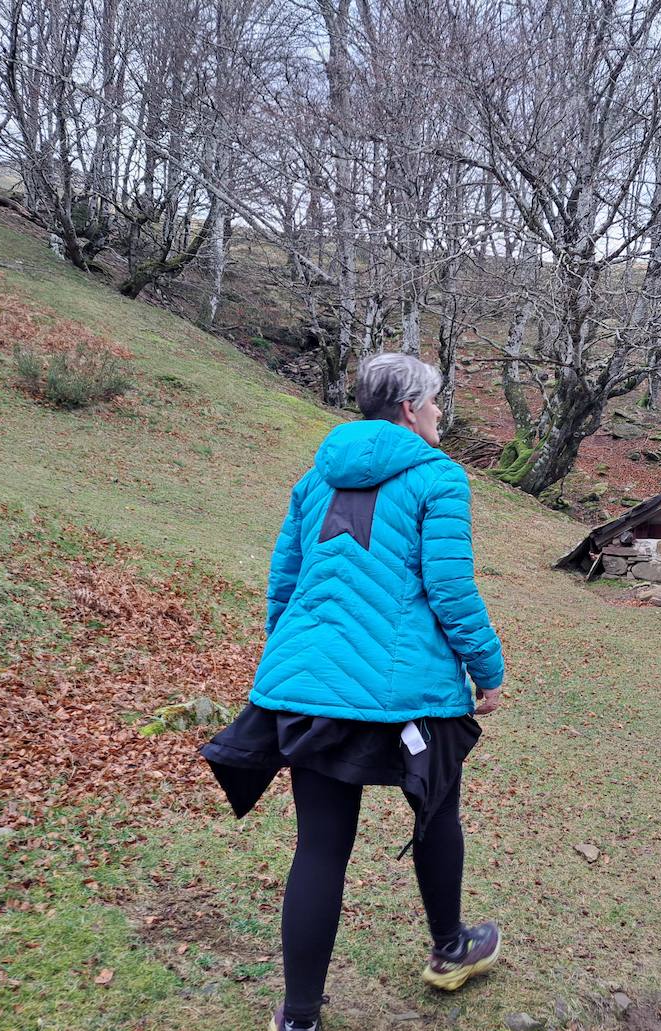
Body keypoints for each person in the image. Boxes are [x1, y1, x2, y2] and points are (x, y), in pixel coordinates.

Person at [201, 353, 506, 1031]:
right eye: (433, 400)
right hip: (410, 695)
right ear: (406, 407)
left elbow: (284, 582)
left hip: (308, 689)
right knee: (436, 814)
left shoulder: (314, 478)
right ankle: (450, 947)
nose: (438, 411)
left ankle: (299, 1018)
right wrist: (487, 669)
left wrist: (293, 672)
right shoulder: (438, 478)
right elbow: (451, 589)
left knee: (319, 847)